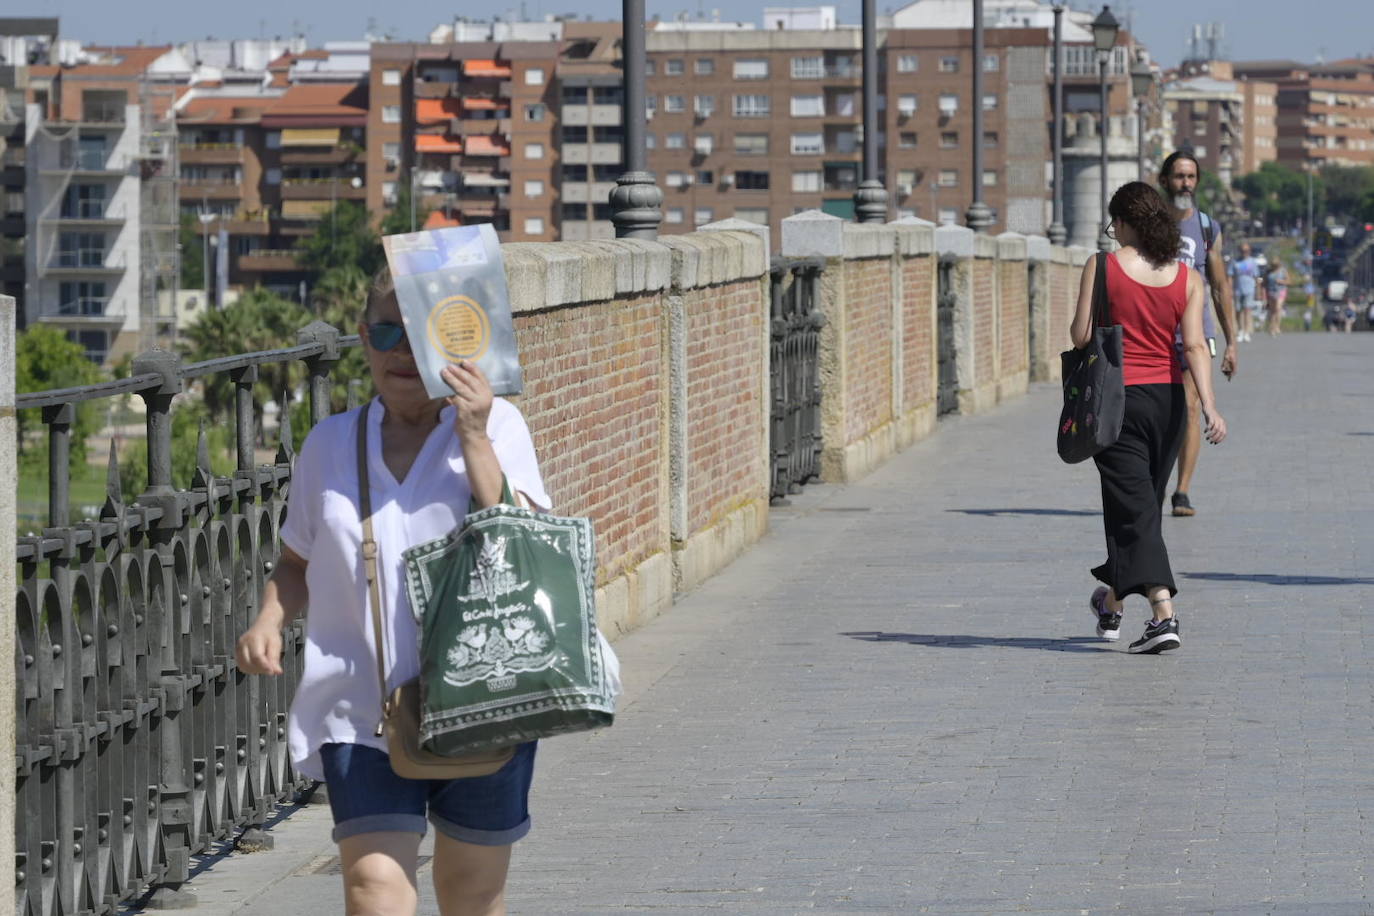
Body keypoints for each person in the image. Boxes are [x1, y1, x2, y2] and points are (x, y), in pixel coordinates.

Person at [236, 267, 552, 916]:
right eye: (386, 331)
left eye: (421, 334)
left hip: (484, 698)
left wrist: (474, 435)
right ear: (362, 338)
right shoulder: (329, 444)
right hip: (361, 707)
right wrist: (269, 618)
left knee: (472, 892)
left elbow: (523, 541)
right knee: (373, 889)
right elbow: (295, 561)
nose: (402, 352)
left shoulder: (501, 428)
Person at [1073, 182, 1228, 654]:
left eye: (1113, 224)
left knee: (1135, 508)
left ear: (1122, 222)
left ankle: (1163, 613)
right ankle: (1111, 601)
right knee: (1139, 508)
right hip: (1169, 404)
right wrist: (1211, 404)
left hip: (1116, 401)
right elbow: (1196, 346)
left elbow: (1080, 336)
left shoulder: (1102, 265)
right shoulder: (1187, 278)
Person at [1158, 150, 1237, 518]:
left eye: (1191, 177)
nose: (1185, 184)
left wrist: (1232, 342)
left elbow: (1220, 287)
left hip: (1195, 332)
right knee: (1156, 410)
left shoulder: (1207, 228)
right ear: (1164, 180)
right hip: (1153, 332)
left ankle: (1182, 491)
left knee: (1191, 407)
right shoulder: (1150, 226)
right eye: (1178, 176)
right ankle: (1154, 482)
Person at [1264, 260, 1289, 336]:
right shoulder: (1268, 271)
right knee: (1272, 310)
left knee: (1278, 308)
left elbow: (1288, 281)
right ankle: (1272, 326)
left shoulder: (1283, 270)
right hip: (1271, 291)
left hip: (1281, 290)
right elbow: (1264, 282)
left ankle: (1277, 326)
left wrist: (1281, 281)